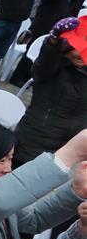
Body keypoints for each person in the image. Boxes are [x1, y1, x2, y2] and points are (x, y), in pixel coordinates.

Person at [13, 17, 87, 168]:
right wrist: (53, 40)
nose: (80, 55)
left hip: (69, 151)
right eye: (76, 50)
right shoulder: (52, 66)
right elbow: (42, 66)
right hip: (33, 144)